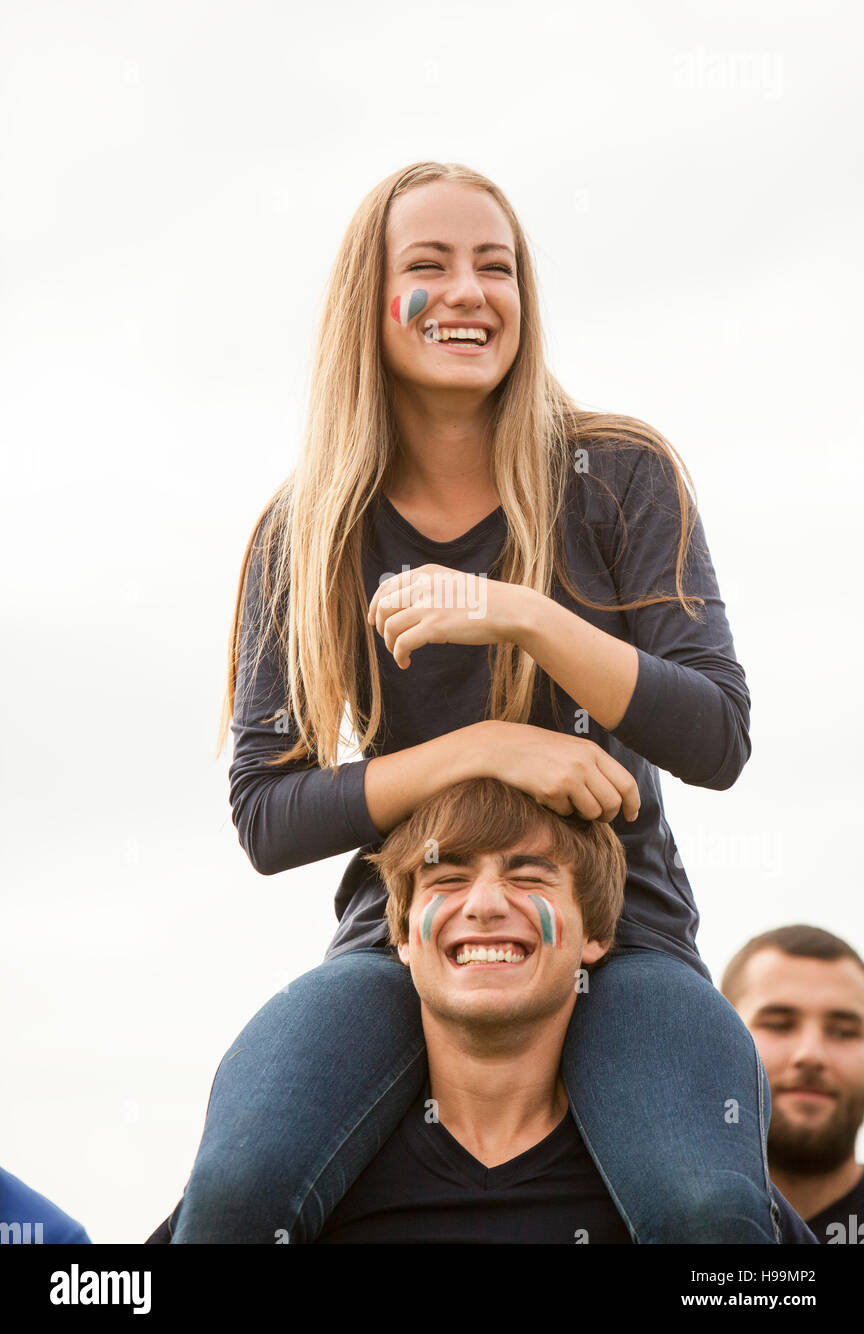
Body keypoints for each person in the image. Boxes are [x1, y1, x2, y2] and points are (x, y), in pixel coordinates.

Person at [169, 159, 777, 1244]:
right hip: (401, 932)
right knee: (237, 1190)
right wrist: (489, 745)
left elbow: (716, 734)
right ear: (371, 300)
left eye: (495, 268)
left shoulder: (619, 473)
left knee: (707, 1209)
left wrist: (522, 616)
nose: (469, 292)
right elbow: (266, 813)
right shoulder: (303, 532)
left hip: (624, 930)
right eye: (429, 265)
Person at [315, 778, 816, 1244]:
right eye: (447, 878)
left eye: (530, 877)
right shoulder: (318, 1178)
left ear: (595, 934)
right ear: (401, 936)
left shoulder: (688, 1182)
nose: (484, 904)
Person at [722, 924, 864, 1244]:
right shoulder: (630, 1218)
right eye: (778, 1024)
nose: (811, 1055)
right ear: (719, 1037)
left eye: (844, 1031)